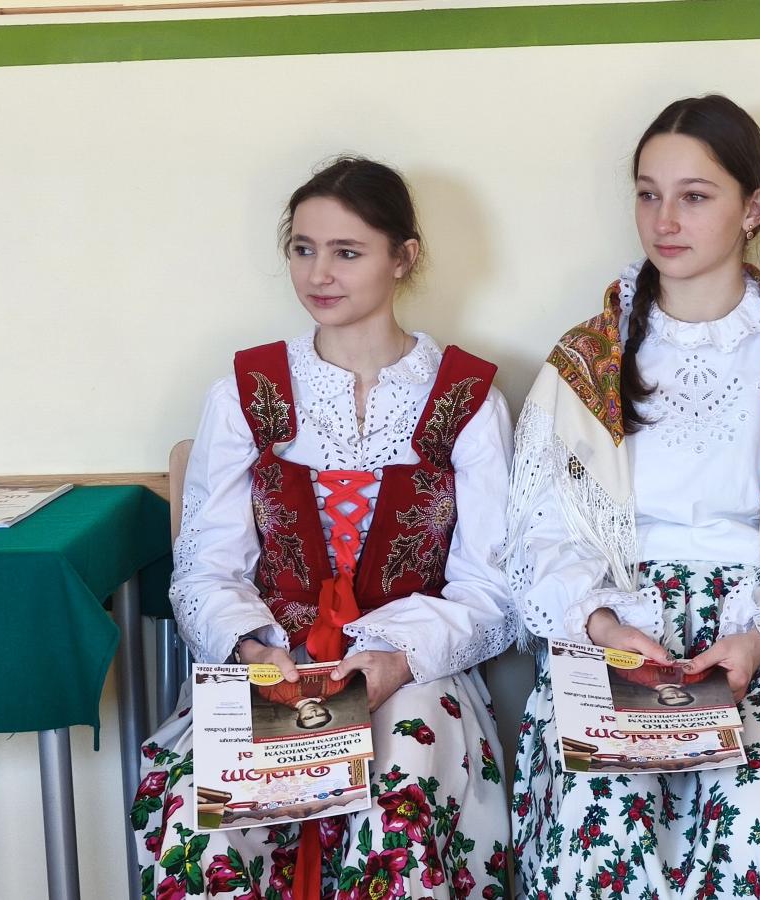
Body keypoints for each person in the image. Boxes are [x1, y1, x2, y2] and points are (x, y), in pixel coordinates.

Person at [501, 95, 760, 898]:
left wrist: (757, 641)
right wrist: (606, 627)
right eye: (648, 194)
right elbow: (543, 533)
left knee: (759, 796)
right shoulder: (588, 358)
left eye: (695, 195)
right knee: (602, 805)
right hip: (621, 626)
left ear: (754, 208)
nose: (665, 219)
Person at [134, 157, 515, 900]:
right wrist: (251, 649)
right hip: (272, 664)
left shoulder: (465, 398)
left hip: (410, 667)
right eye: (303, 249)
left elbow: (492, 586)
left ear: (402, 257)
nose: (319, 273)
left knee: (398, 796)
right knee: (197, 820)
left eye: (347, 251)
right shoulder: (247, 391)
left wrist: (395, 659)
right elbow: (206, 565)